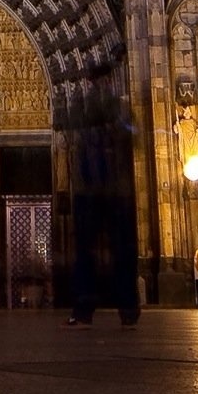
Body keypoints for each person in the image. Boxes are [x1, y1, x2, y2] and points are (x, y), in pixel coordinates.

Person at [64, 57, 141, 328]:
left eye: (105, 79)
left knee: (121, 251)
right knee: (86, 251)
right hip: (90, 186)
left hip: (113, 188)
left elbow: (134, 134)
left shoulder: (119, 108)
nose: (102, 84)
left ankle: (127, 308)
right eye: (98, 80)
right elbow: (69, 130)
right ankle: (85, 308)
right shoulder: (85, 107)